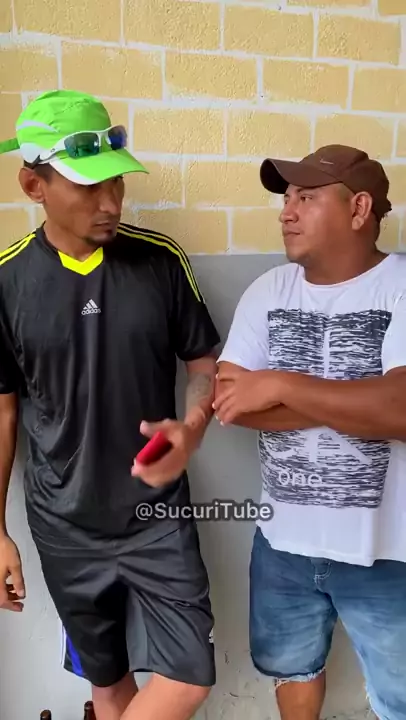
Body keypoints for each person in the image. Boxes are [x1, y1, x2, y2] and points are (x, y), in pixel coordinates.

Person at [0, 90, 220, 720]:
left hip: (156, 516)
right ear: (34, 185)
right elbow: (4, 411)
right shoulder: (7, 280)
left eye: (117, 183)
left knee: (190, 677)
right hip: (64, 524)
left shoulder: (160, 262)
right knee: (108, 680)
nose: (111, 202)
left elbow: (203, 366)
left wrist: (193, 426)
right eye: (89, 187)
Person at [214, 144, 406, 720]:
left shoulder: (400, 286)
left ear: (359, 209)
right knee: (292, 669)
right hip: (282, 544)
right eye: (287, 199)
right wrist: (359, 400)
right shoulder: (270, 290)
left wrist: (280, 384)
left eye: (306, 197)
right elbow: (231, 401)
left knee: (399, 697)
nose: (286, 212)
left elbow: (401, 409)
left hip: (387, 550)